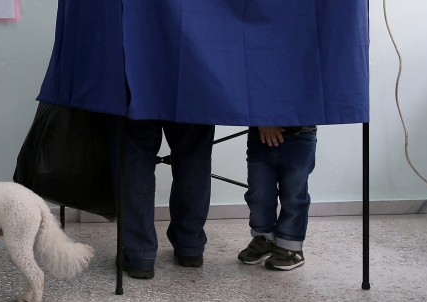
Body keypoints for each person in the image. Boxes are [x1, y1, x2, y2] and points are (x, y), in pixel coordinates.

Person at [108, 119, 214, 279]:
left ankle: (140, 252)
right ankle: (190, 245)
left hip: (140, 94)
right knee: (194, 150)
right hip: (196, 95)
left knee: (134, 149)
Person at [237, 125, 317, 270]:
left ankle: (290, 245)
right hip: (259, 133)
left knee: (293, 196)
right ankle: (264, 237)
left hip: (300, 135)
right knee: (259, 194)